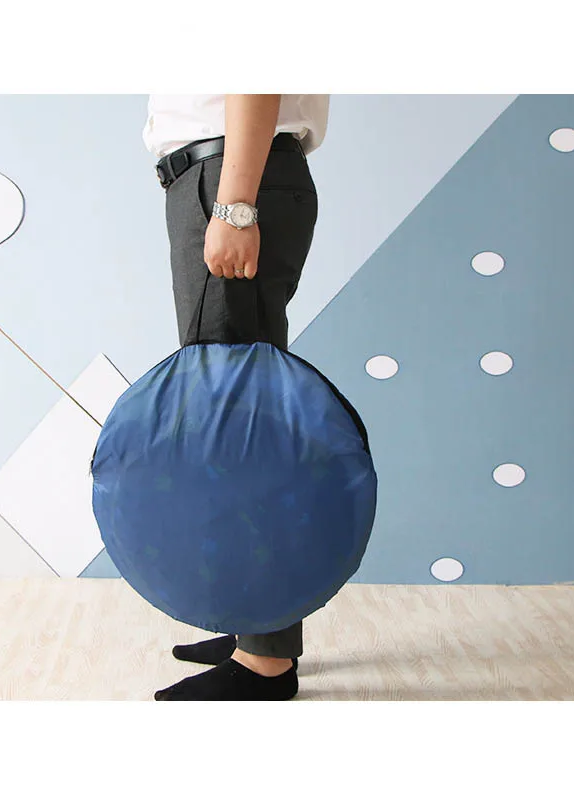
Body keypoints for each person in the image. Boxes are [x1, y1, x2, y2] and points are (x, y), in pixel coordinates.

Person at [143, 94, 329, 700]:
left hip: (230, 178)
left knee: (242, 434)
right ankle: (256, 626)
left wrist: (235, 207)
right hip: (227, 177)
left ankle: (265, 661)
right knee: (236, 426)